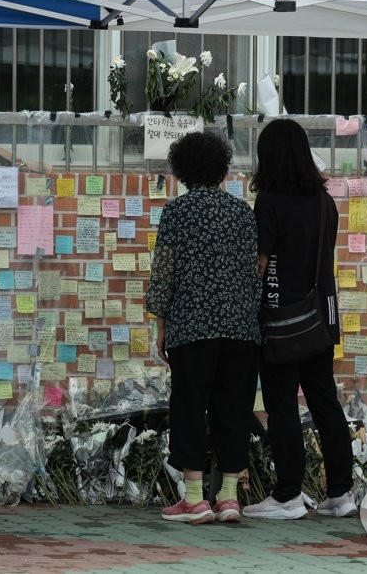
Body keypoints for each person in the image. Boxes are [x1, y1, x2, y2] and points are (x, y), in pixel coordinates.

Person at [145, 130, 261, 525]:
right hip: (241, 328)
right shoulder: (243, 213)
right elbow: (253, 276)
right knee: (234, 408)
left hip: (191, 326)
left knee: (190, 407)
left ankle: (194, 498)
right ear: (221, 169)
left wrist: (161, 323)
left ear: (182, 169)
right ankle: (228, 496)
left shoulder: (176, 213)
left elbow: (164, 275)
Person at [243, 118, 356, 520]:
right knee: (325, 401)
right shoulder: (325, 201)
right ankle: (341, 493)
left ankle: (288, 494)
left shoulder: (270, 201)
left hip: (282, 320)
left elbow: (260, 265)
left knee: (282, 403)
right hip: (322, 316)